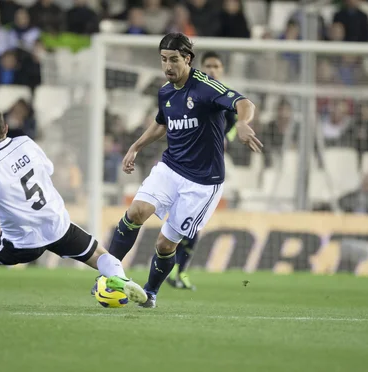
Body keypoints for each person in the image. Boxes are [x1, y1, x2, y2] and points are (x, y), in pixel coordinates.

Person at [0, 106, 147, 304]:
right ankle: (121, 280)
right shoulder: (26, 142)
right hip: (56, 225)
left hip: (22, 241)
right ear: (5, 128)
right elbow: (49, 169)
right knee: (99, 254)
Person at [105, 33, 261, 308]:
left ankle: (150, 292)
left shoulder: (205, 87)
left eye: (174, 59)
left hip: (202, 183)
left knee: (165, 244)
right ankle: (108, 277)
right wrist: (135, 147)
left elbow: (245, 104)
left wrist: (244, 123)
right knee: (136, 211)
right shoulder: (165, 91)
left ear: (187, 59)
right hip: (170, 168)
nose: (168, 66)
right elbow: (161, 123)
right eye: (164, 60)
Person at [166, 50, 235, 290]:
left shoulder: (225, 97)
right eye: (209, 65)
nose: (213, 69)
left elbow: (234, 126)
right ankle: (170, 268)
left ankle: (180, 272)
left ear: (222, 70)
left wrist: (226, 137)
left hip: (208, 171)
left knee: (192, 224)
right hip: (181, 166)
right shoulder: (192, 92)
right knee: (177, 221)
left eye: (217, 66)